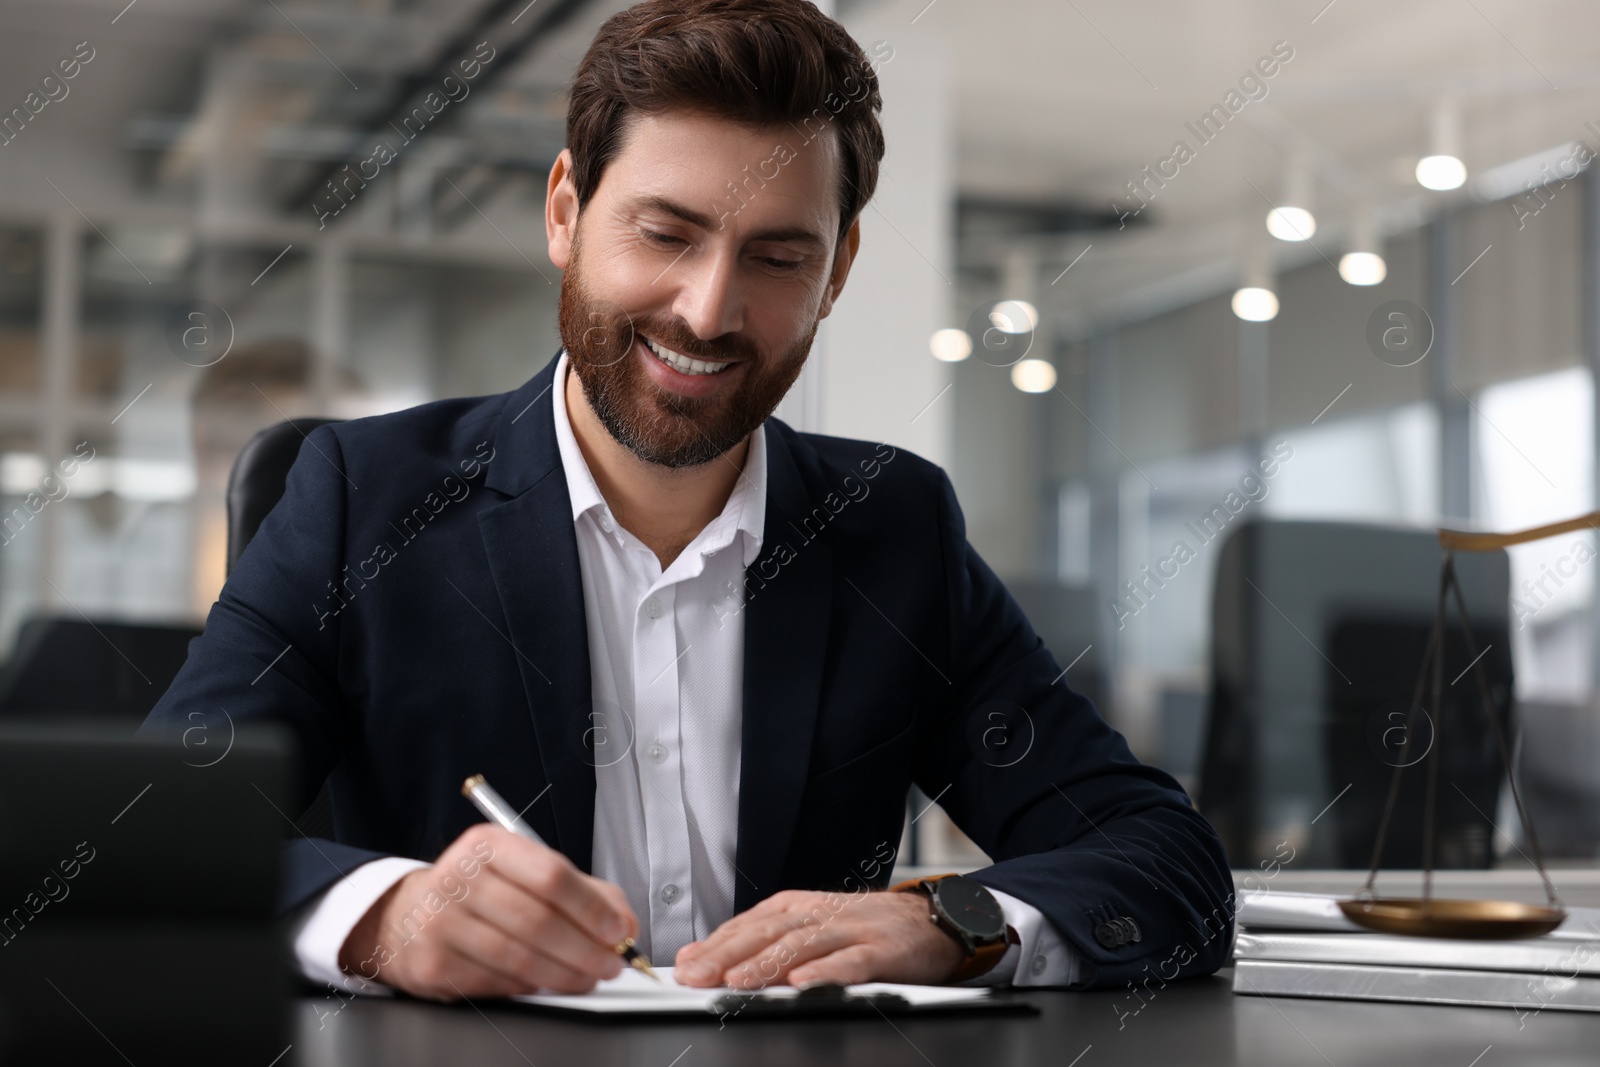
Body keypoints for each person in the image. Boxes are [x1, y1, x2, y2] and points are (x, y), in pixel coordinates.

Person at [142, 0, 1233, 1003]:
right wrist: (382, 915)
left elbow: (1159, 854)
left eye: (776, 256)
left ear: (837, 269)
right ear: (565, 212)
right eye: (665, 234)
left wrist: (956, 922)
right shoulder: (360, 500)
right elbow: (145, 827)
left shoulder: (890, 524)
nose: (709, 309)